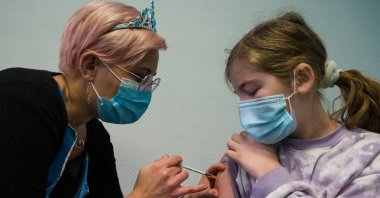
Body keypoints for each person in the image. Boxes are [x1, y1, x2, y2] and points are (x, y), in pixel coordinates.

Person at [0, 1, 209, 197]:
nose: (144, 90)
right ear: (90, 65)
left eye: (149, 80)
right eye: (138, 76)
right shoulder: (21, 103)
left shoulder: (96, 139)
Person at [188, 11, 380, 198]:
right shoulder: (246, 154)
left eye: (252, 91)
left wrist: (267, 172)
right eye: (239, 95)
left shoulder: (368, 158)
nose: (244, 108)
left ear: (302, 79)